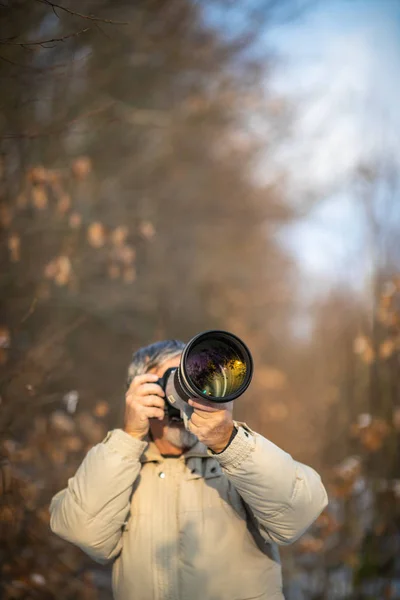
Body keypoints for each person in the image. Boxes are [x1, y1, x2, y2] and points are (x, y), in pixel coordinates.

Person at [50, 339, 328, 600]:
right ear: (135, 394)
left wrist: (227, 442)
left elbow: (297, 514)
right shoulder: (122, 468)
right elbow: (82, 531)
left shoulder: (238, 461)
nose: (182, 396)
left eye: (190, 379)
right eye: (167, 382)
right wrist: (128, 437)